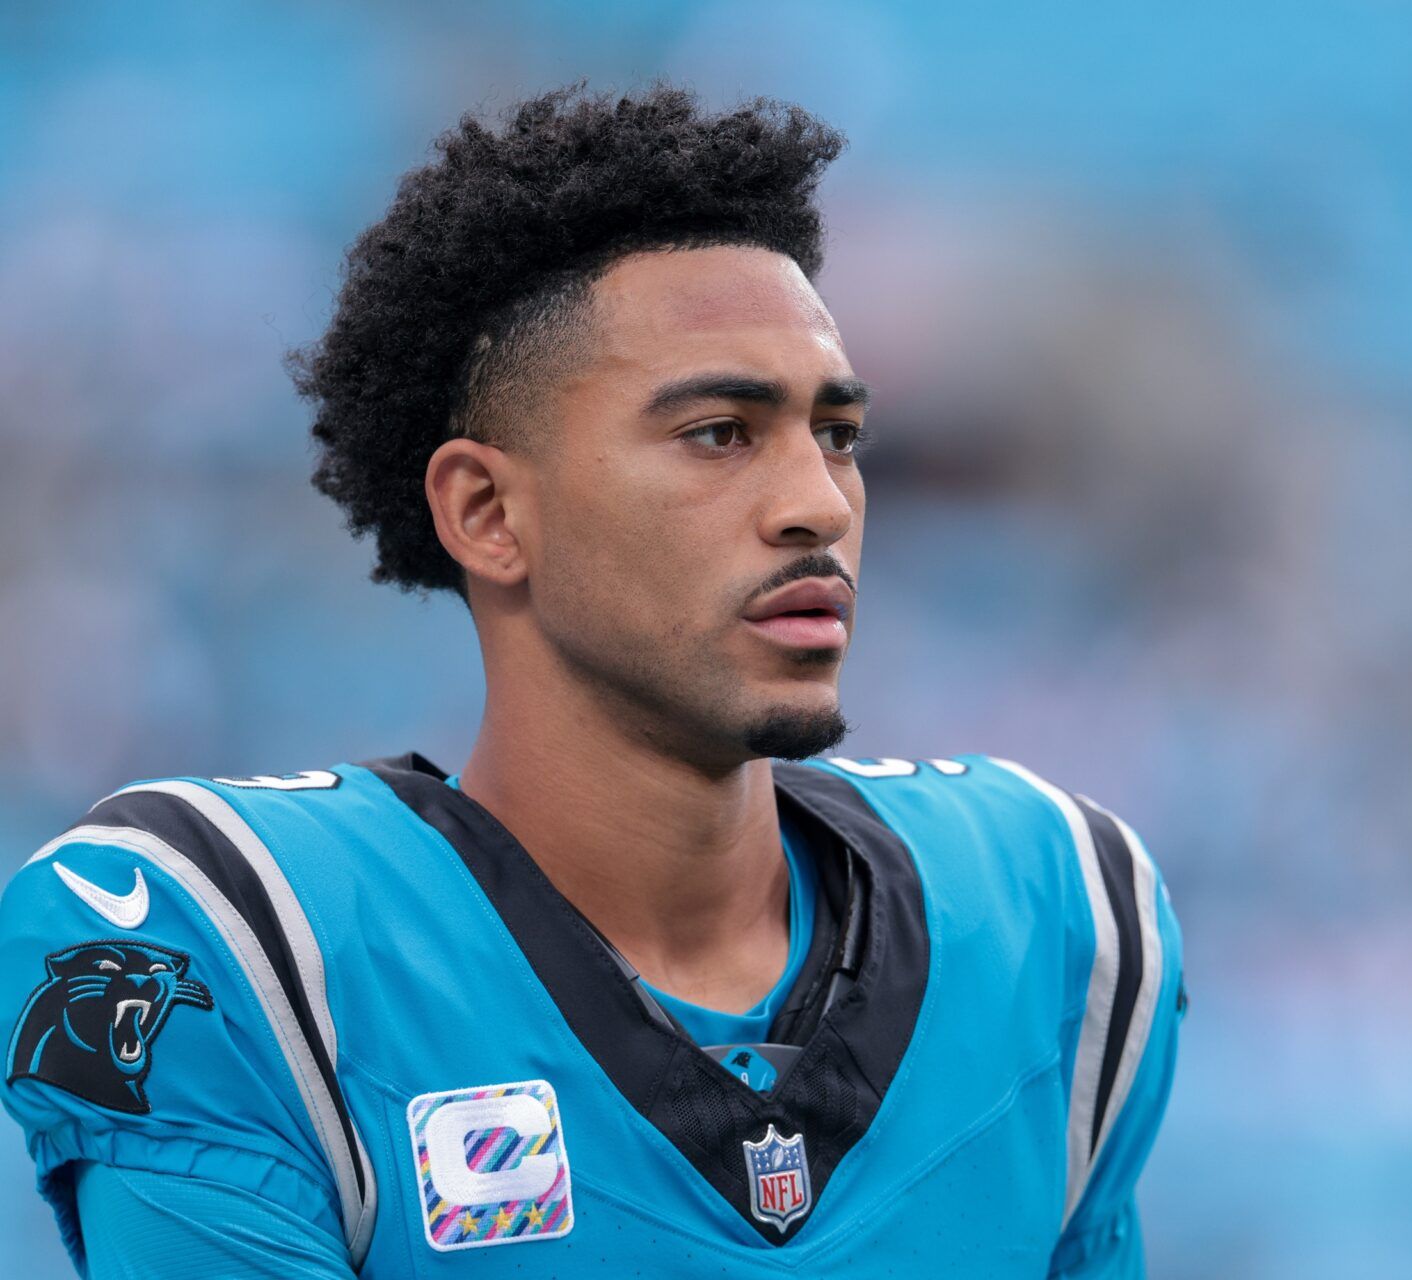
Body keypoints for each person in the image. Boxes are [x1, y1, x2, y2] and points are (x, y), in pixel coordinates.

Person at [1, 84, 1183, 1278]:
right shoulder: (245, 948)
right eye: (719, 431)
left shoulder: (1056, 910)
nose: (819, 504)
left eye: (836, 433)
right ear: (487, 511)